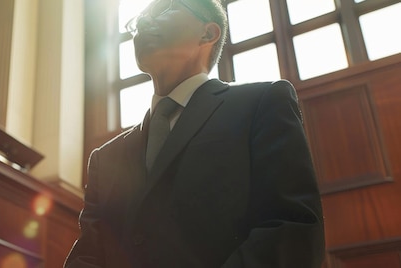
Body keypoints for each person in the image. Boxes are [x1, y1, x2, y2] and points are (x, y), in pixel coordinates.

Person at [65, 0, 325, 267]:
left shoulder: (261, 104)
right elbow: (88, 255)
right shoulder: (105, 158)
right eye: (137, 20)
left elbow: (292, 228)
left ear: (209, 33)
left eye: (163, 10)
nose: (142, 24)